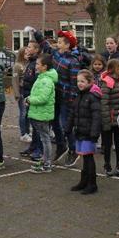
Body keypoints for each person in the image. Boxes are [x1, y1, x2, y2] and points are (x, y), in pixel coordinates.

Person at [28, 27, 79, 165]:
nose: (57, 44)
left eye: (60, 42)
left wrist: (72, 100)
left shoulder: (73, 61)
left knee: (66, 125)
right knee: (54, 122)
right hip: (55, 96)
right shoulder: (55, 54)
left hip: (66, 99)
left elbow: (74, 83)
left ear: (67, 45)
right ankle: (61, 146)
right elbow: (45, 45)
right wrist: (36, 33)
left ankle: (73, 149)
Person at [65, 69, 102, 194]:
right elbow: (73, 112)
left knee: (88, 158)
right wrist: (68, 127)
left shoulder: (93, 97)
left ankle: (92, 184)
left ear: (90, 82)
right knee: (84, 157)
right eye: (78, 81)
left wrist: (94, 134)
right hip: (80, 131)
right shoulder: (79, 95)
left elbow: (97, 117)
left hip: (88, 133)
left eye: (82, 81)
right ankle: (84, 181)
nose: (79, 84)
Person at [26, 54, 58, 173]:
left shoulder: (46, 81)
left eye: (38, 64)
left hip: (42, 114)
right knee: (44, 138)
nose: (36, 66)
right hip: (38, 113)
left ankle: (47, 163)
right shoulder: (41, 78)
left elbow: (43, 98)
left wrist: (30, 100)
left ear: (44, 67)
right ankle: (45, 160)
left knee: (45, 139)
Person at [99, 58, 119, 176]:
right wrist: (106, 121)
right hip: (109, 119)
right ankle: (107, 164)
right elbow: (103, 103)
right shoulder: (107, 82)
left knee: (118, 142)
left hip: (118, 118)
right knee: (107, 143)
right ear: (114, 68)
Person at [12, 47, 31, 142]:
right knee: (23, 113)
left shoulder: (28, 64)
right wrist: (17, 93)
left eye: (28, 53)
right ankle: (23, 133)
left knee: (28, 113)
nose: (28, 55)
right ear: (21, 54)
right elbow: (15, 80)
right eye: (26, 53)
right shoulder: (17, 66)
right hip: (22, 92)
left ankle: (27, 131)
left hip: (28, 92)